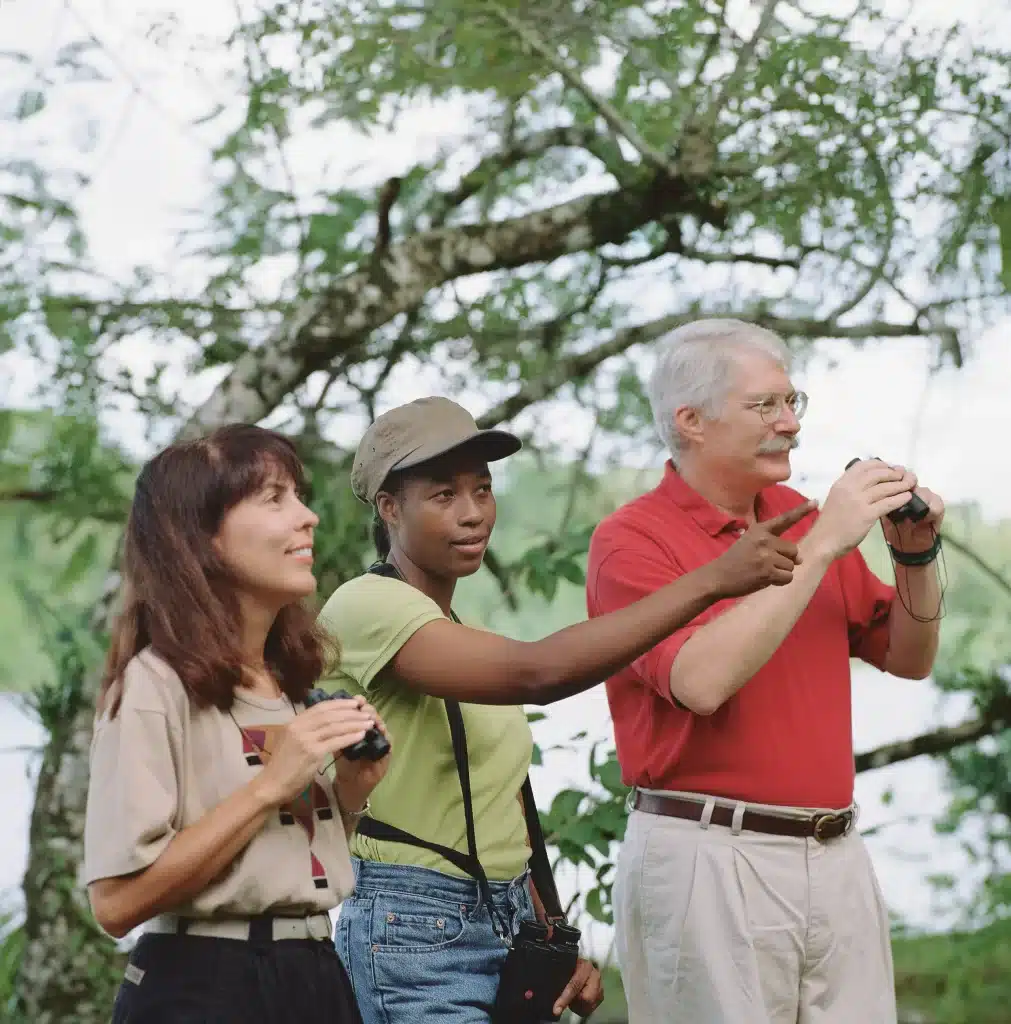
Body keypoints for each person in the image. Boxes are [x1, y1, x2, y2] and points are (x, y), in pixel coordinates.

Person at [317, 395, 816, 1024]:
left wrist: (549, 929)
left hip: (500, 921)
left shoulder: (456, 627)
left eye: (482, 490)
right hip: (413, 930)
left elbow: (501, 807)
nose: (473, 513)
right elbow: (538, 672)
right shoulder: (365, 606)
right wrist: (714, 579)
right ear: (390, 508)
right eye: (444, 496)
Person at [585, 318, 945, 1024]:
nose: (790, 424)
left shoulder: (801, 517)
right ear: (690, 421)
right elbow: (699, 683)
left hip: (835, 853)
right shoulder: (630, 540)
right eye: (765, 406)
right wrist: (824, 543)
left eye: (792, 401)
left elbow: (910, 658)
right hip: (708, 858)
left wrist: (914, 555)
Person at [83, 424, 392, 1023]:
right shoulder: (153, 684)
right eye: (275, 499)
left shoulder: (287, 683)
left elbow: (277, 860)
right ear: (202, 538)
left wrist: (351, 794)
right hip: (202, 985)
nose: (308, 517)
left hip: (316, 974)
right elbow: (115, 904)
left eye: (298, 496)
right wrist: (271, 785)